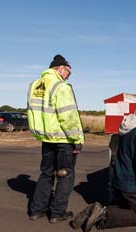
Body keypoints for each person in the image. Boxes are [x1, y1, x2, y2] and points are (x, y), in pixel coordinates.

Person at [71, 101, 136, 232]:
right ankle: (103, 214)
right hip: (132, 184)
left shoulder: (126, 126)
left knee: (124, 206)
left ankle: (96, 209)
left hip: (120, 179)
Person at [27, 54, 84, 223]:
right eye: (68, 72)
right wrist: (77, 139)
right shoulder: (61, 86)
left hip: (46, 139)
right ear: (60, 68)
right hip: (63, 140)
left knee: (46, 174)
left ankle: (36, 211)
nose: (68, 76)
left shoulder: (34, 85)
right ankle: (57, 213)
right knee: (65, 175)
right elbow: (68, 116)